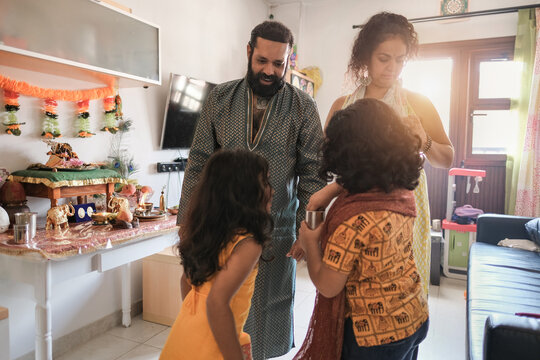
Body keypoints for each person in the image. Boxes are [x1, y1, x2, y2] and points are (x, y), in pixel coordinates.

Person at [177, 21, 325, 359]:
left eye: (279, 63)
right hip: (220, 230)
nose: (270, 71)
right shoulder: (220, 98)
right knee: (217, 308)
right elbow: (199, 161)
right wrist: (187, 220)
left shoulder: (304, 107)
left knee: (268, 312)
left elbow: (313, 175)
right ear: (249, 53)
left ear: (288, 60)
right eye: (262, 61)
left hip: (277, 231)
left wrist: (308, 230)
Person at [308, 12, 454, 296]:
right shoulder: (344, 105)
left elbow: (446, 159)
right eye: (384, 58)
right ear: (366, 57)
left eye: (400, 60)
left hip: (404, 211)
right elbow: (325, 160)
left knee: (401, 292)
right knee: (354, 292)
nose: (392, 68)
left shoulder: (417, 102)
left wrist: (424, 142)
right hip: (354, 211)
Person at [297, 98, 429, 360]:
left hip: (373, 339)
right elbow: (376, 172)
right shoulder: (402, 191)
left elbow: (328, 286)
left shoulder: (353, 222)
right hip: (414, 315)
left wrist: (310, 242)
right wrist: (332, 189)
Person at [161, 149, 274, 360]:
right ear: (244, 192)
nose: (272, 190)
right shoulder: (248, 244)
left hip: (185, 334)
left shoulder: (211, 235)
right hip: (212, 348)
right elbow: (216, 302)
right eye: (266, 182)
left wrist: (199, 322)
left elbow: (186, 283)